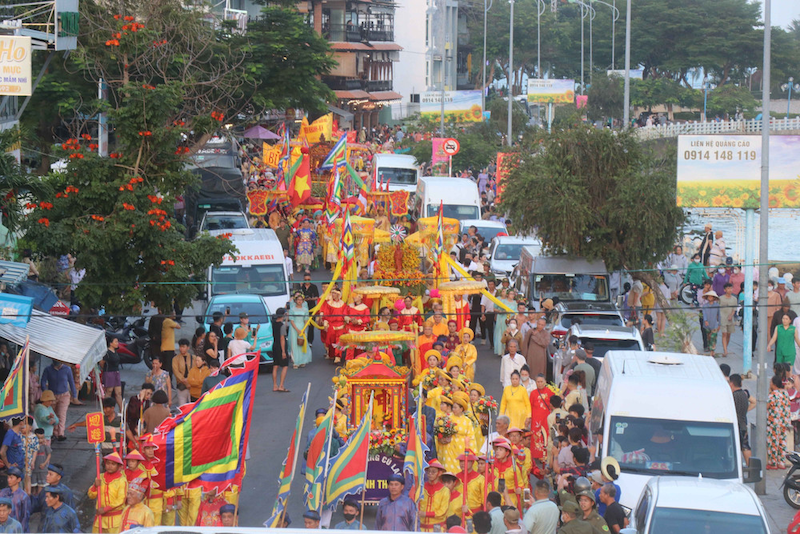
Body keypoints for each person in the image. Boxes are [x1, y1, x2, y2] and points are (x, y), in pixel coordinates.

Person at [88, 451, 127, 533]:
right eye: (108, 463)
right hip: (100, 519)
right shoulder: (100, 477)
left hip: (115, 520)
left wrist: (105, 509)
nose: (110, 466)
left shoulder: (122, 480)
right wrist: (95, 486)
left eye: (113, 464)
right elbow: (91, 495)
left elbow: (121, 500)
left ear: (118, 466)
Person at [40, 360, 76, 441]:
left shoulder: (67, 369)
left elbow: (71, 382)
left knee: (61, 414)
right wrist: (45, 391)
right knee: (52, 414)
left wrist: (74, 395)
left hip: (64, 395)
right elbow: (43, 381)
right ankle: (53, 432)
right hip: (51, 396)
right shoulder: (48, 369)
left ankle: (60, 433)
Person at [767, 375, 792, 469]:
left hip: (773, 422)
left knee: (773, 442)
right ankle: (781, 462)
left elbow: (767, 406)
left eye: (770, 382)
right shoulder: (785, 393)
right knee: (782, 442)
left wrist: (769, 392)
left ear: (774, 384)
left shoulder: (773, 394)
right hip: (784, 422)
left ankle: (773, 463)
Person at [419, 460, 451, 531]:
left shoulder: (444, 490)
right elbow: (417, 503)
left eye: (433, 472)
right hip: (421, 528)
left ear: (439, 473)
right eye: (429, 471)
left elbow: (443, 511)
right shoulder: (421, 487)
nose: (430, 474)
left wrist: (426, 514)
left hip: (437, 529)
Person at [0, 467, 28, 531]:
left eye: (11, 478)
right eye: (8, 477)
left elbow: (25, 517)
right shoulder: (3, 493)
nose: (8, 480)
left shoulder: (23, 496)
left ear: (19, 479)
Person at [289, 292, 311, 368]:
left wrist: (304, 329)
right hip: (294, 328)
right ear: (295, 300)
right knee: (294, 344)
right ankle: (296, 361)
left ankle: (302, 361)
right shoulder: (292, 309)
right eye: (298, 300)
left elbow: (306, 320)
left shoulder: (305, 309)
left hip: (302, 327)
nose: (299, 301)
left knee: (302, 344)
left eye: (301, 300)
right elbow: (291, 320)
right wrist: (297, 329)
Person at [272, 308, 290, 392]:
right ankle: (281, 385)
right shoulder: (281, 326)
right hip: (280, 346)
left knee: (275, 366)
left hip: (275, 345)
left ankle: (275, 385)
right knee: (285, 365)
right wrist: (283, 351)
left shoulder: (273, 324)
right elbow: (282, 338)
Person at [102, 337, 124, 409]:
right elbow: (102, 363)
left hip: (116, 372)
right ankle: (105, 407)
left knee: (118, 392)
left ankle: (122, 409)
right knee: (109, 391)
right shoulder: (107, 353)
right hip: (109, 372)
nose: (117, 343)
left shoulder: (115, 352)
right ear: (111, 343)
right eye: (116, 342)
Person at [718, 282, 738, 357]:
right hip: (722, 318)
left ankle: (726, 347)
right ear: (725, 290)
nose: (730, 290)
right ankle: (725, 350)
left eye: (731, 288)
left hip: (730, 319)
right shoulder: (721, 298)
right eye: (728, 288)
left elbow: (734, 309)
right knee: (724, 333)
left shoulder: (734, 299)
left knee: (728, 334)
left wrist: (731, 315)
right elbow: (718, 308)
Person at [172, 339, 193, 406]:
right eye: (180, 347)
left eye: (183, 347)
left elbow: (195, 370)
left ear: (188, 348)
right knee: (182, 407)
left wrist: (189, 380)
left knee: (192, 407)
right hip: (181, 385)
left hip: (192, 385)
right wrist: (185, 381)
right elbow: (176, 372)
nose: (181, 349)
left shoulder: (193, 358)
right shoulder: (175, 359)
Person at [701, 290, 721, 356]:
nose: (710, 298)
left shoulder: (717, 305)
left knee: (713, 337)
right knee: (708, 337)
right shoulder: (705, 306)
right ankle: (710, 348)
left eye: (711, 297)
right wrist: (705, 320)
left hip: (714, 323)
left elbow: (719, 315)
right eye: (709, 297)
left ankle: (712, 351)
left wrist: (719, 324)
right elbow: (704, 314)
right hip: (707, 324)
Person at [160, 312, 180, 377]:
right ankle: (168, 383)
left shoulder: (166, 321)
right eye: (173, 313)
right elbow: (178, 326)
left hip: (167, 347)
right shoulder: (168, 321)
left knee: (166, 367)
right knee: (168, 368)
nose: (174, 315)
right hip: (168, 348)